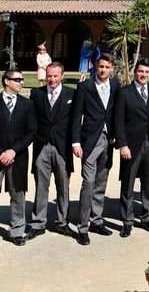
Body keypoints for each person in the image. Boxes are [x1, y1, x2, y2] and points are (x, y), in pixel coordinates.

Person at [72, 53, 120, 246]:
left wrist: (117, 135)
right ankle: (83, 227)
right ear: (95, 67)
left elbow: (117, 112)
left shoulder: (116, 86)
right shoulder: (85, 87)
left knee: (101, 180)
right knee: (89, 182)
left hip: (109, 140)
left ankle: (97, 220)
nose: (103, 70)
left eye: (107, 67)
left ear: (112, 69)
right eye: (100, 67)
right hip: (90, 140)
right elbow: (76, 117)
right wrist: (76, 142)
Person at [27, 62, 76, 241]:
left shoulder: (72, 93)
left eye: (55, 76)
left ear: (62, 76)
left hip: (63, 146)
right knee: (41, 185)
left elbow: (76, 120)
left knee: (63, 185)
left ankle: (62, 222)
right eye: (49, 76)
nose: (52, 79)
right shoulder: (36, 94)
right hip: (42, 146)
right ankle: (38, 223)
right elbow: (31, 119)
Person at [113, 58, 149, 237]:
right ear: (135, 72)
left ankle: (147, 217)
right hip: (131, 145)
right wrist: (122, 145)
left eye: (147, 72)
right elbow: (118, 121)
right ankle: (127, 220)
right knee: (128, 183)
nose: (144, 75)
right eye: (141, 71)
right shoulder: (125, 93)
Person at [0, 69, 37, 246]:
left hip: (18, 156)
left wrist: (13, 151)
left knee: (18, 194)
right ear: (6, 81)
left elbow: (31, 132)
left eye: (22, 79)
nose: (21, 82)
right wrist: (2, 152)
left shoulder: (27, 104)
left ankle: (17, 231)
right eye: (17, 79)